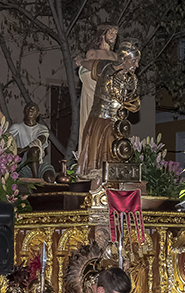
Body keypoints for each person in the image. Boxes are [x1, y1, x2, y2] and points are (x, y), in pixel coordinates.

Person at [76, 41, 141, 179]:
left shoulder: (126, 78)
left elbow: (135, 106)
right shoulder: (106, 68)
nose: (137, 66)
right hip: (102, 123)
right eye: (134, 61)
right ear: (123, 60)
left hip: (112, 124)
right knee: (99, 164)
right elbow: (91, 64)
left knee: (113, 162)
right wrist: (81, 61)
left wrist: (82, 61)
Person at [77, 24, 118, 153]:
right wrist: (83, 62)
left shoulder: (116, 56)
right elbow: (91, 70)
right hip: (93, 94)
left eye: (115, 34)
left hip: (111, 96)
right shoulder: (93, 53)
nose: (113, 36)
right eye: (110, 32)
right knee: (93, 126)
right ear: (102, 34)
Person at [9, 103, 52, 179]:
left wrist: (24, 149)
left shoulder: (42, 128)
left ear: (37, 114)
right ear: (24, 111)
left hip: (39, 162)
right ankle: (36, 180)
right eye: (28, 108)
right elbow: (7, 141)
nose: (30, 111)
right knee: (34, 151)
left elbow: (40, 140)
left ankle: (39, 176)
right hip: (24, 162)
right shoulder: (17, 127)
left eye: (33, 109)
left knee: (49, 177)